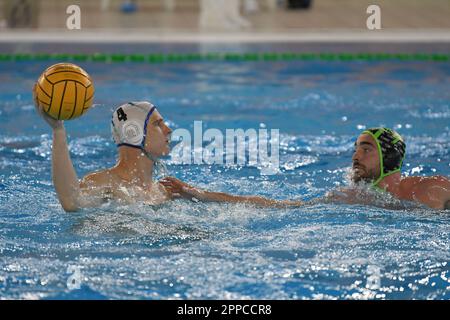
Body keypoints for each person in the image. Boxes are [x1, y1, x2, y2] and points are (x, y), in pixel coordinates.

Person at [34, 96, 294, 212]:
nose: (169, 130)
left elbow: (242, 204)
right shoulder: (104, 183)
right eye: (158, 123)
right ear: (135, 133)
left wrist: (311, 205)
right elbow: (71, 201)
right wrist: (58, 131)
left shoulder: (167, 189)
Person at [161, 127, 450, 210]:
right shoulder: (352, 198)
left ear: (388, 157)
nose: (355, 156)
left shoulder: (433, 188)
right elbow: (280, 206)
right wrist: (196, 192)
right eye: (355, 148)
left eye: (365, 148)